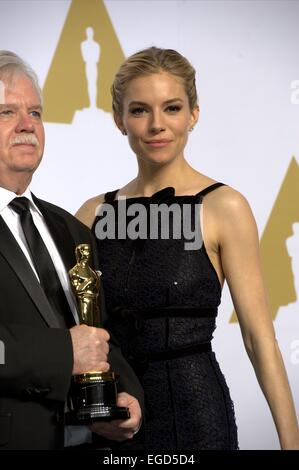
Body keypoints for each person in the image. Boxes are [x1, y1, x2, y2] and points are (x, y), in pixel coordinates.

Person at [76, 47, 299, 450]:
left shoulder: (223, 206)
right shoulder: (93, 213)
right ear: (118, 120)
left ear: (194, 114)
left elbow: (258, 337)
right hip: (112, 420)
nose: (157, 125)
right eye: (140, 110)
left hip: (195, 414)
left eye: (172, 108)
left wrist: (291, 442)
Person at [0, 50, 143, 450]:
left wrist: (127, 393)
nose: (27, 126)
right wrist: (64, 352)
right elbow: (75, 347)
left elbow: (98, 338)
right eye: (7, 113)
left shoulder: (73, 229)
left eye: (36, 113)